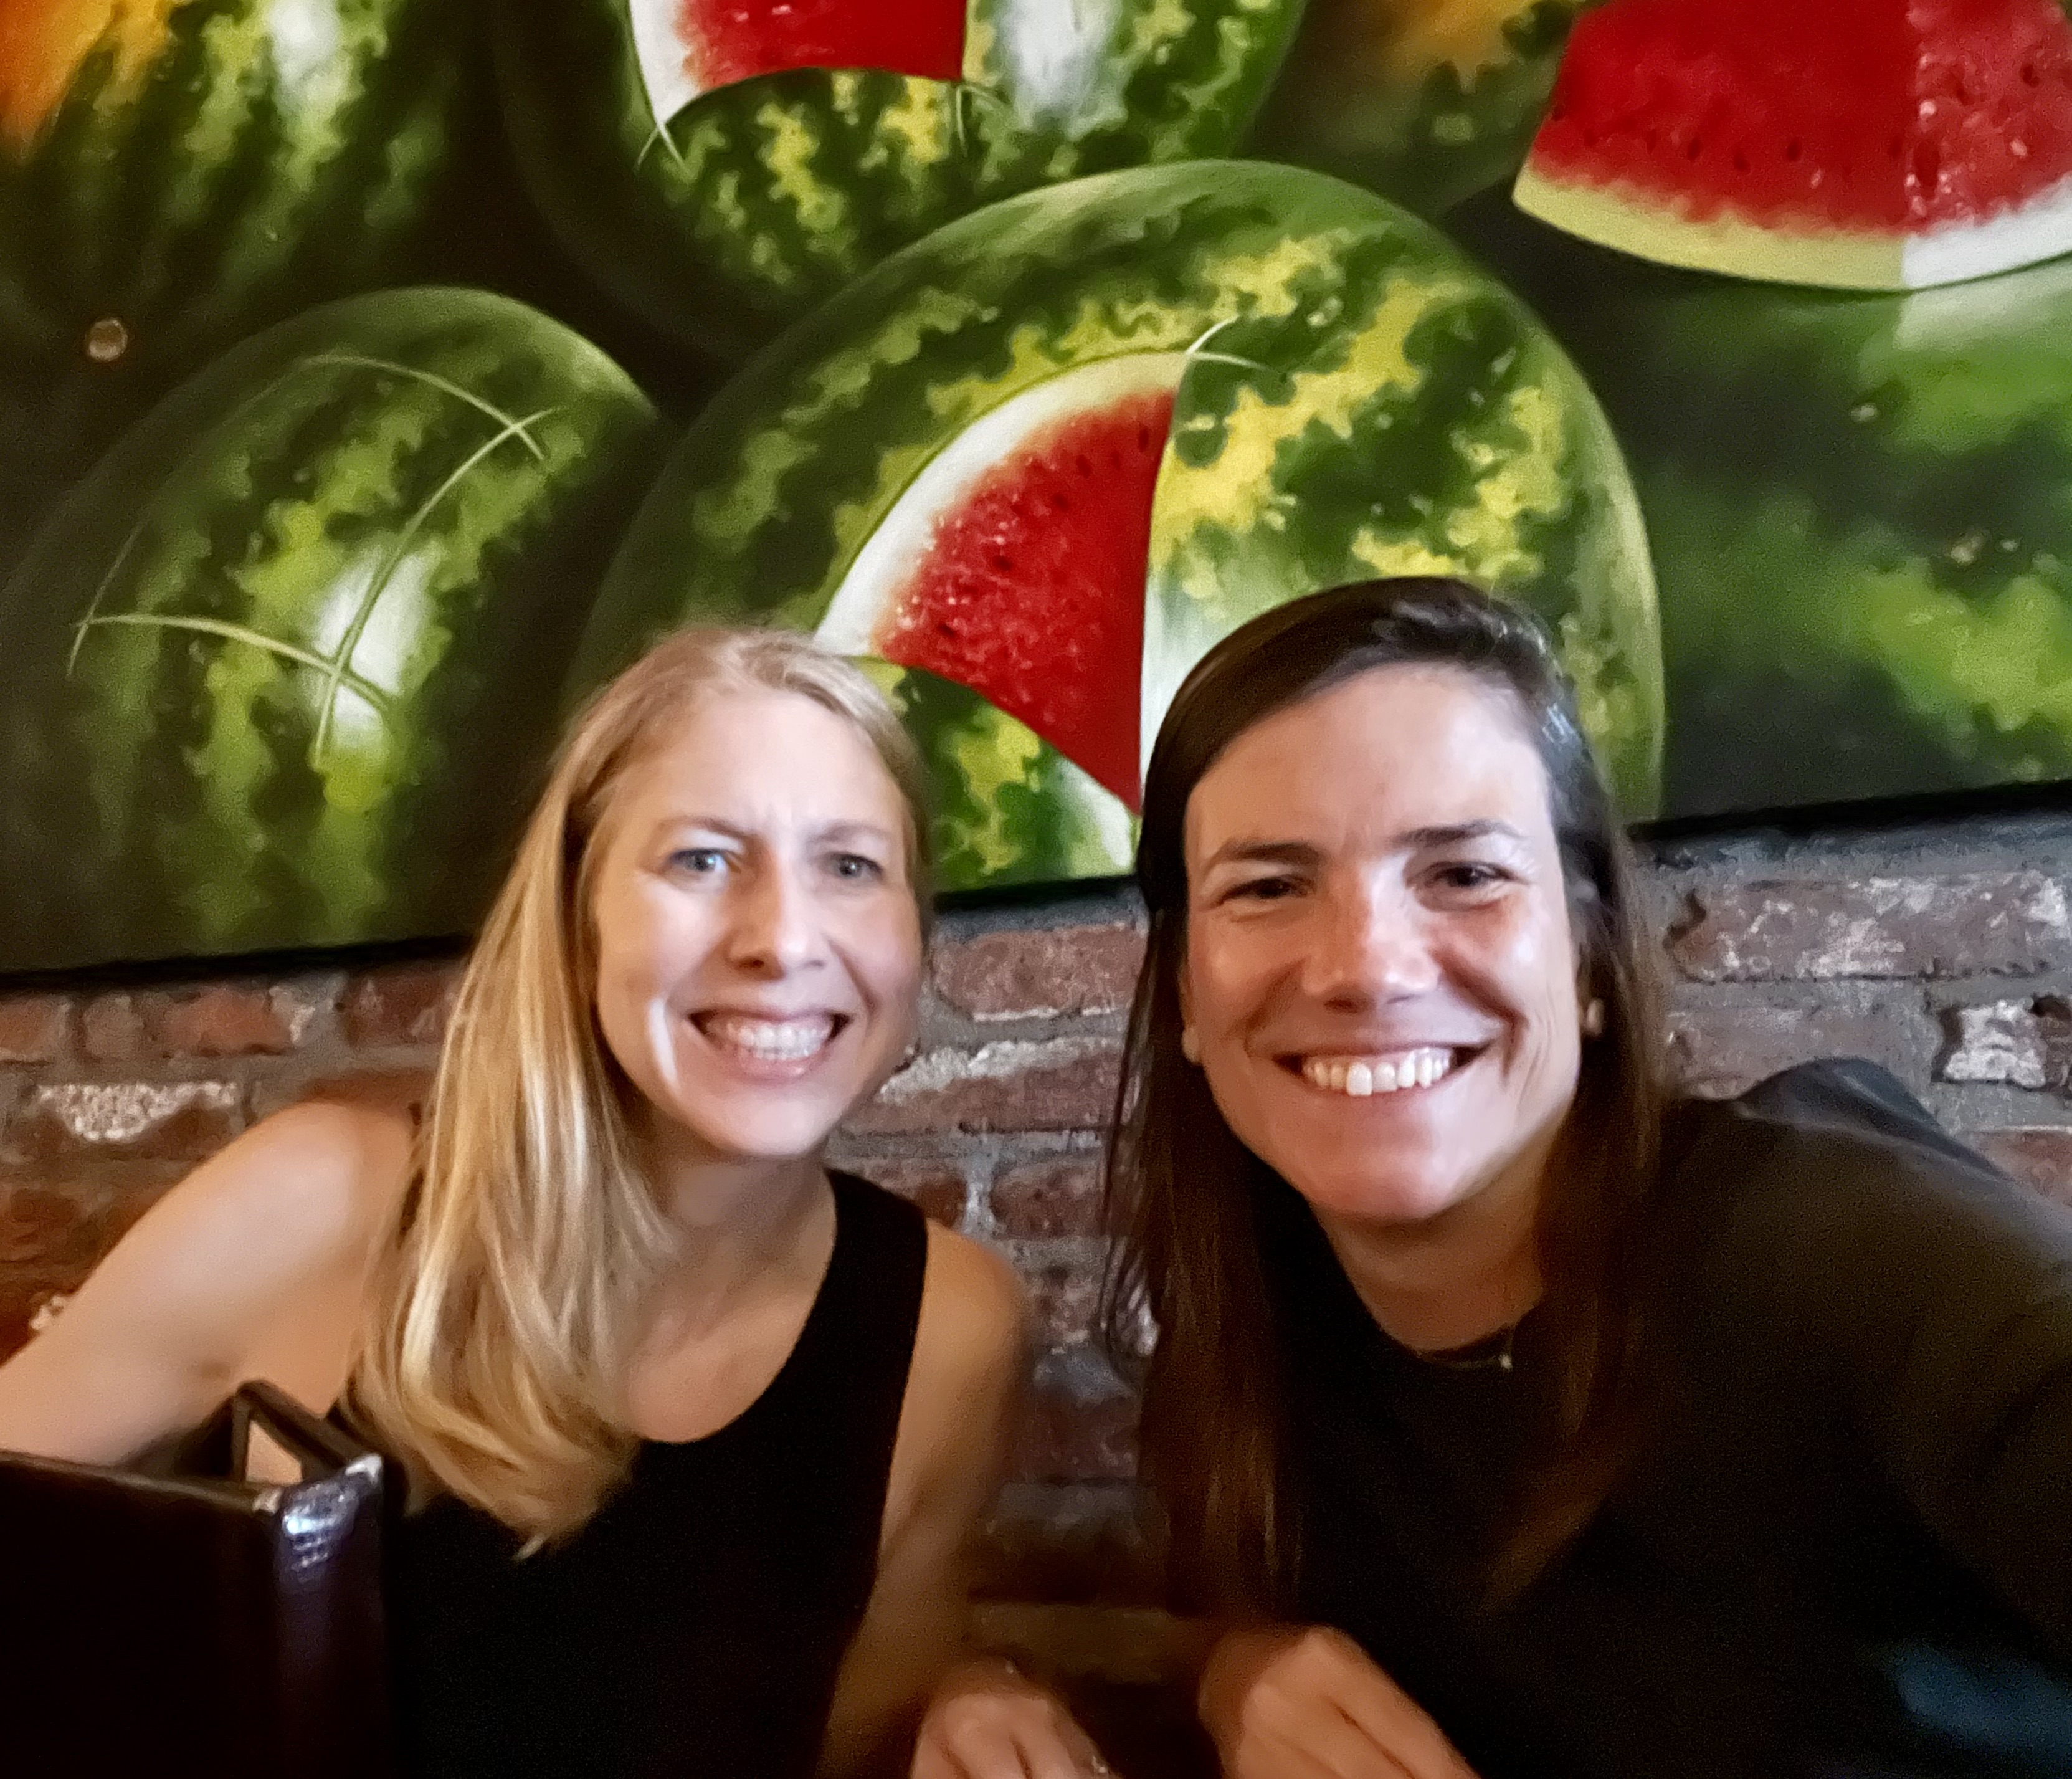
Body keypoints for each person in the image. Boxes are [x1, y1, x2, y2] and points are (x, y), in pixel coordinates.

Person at [0, 627, 1098, 1779]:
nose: (781, 938)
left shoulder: (951, 1327)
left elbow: (857, 1748)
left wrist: (975, 1687)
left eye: (851, 866)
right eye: (703, 859)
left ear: (910, 941)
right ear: (579, 928)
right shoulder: (319, 1204)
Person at [1103, 577, 2072, 1778]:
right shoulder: (1256, 1341)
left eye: (1462, 874)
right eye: (1265, 886)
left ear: (1589, 963)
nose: (1364, 968)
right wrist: (1230, 1667)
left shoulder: (1841, 1250)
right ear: (1189, 996)